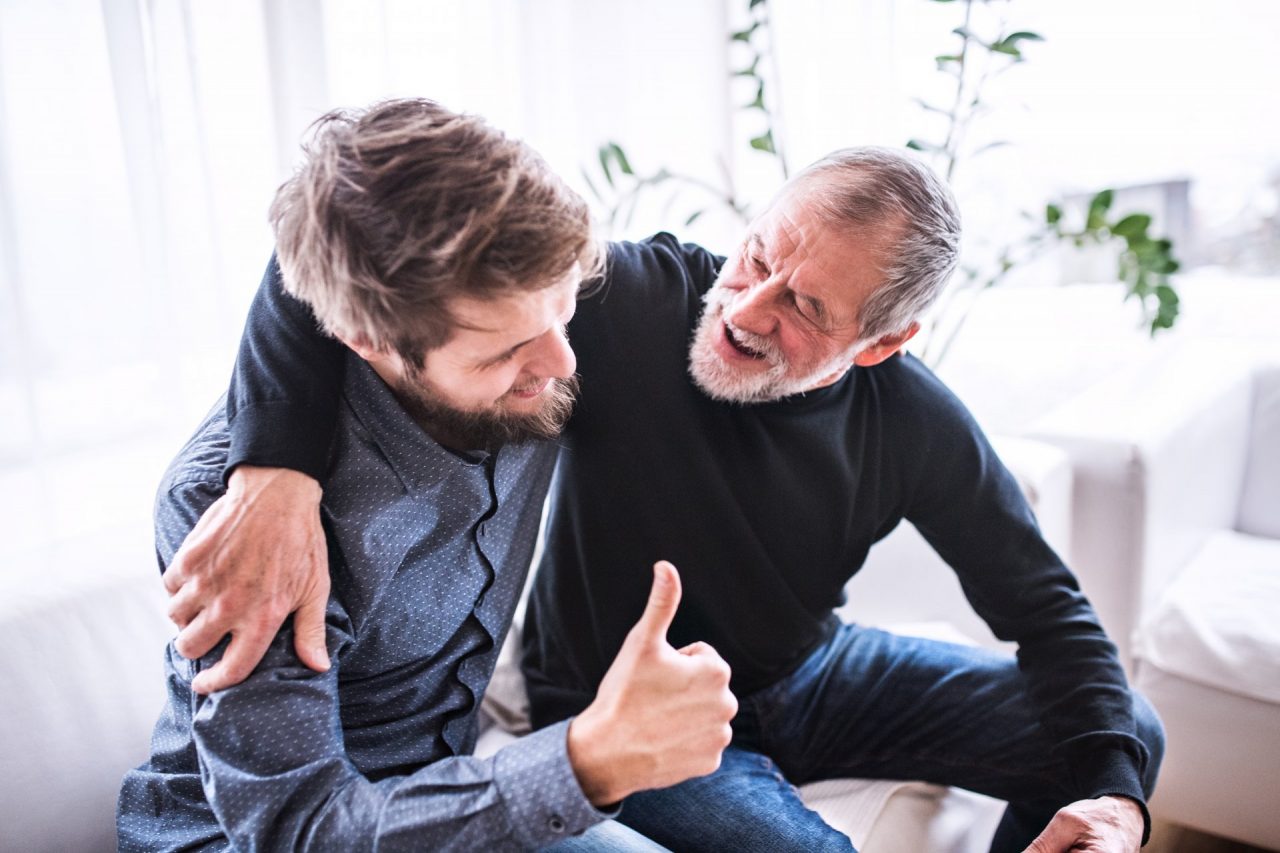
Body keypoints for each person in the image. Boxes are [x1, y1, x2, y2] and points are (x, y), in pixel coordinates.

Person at [162, 143, 1165, 852]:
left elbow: (1047, 609)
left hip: (809, 674)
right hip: (612, 699)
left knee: (1120, 736)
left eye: (806, 308)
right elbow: (351, 250)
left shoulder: (913, 422)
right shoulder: (621, 303)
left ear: (883, 344)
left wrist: (1115, 802)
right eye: (760, 254)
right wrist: (274, 470)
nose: (747, 307)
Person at [116, 98, 738, 853]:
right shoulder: (235, 518)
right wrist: (587, 760)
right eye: (503, 352)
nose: (562, 363)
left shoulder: (527, 329)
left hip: (449, 805)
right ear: (363, 338)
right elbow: (299, 830)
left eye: (565, 310)